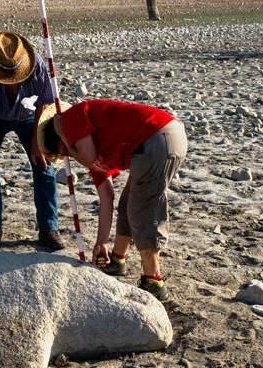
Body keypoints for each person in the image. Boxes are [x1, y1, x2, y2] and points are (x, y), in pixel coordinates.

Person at [37, 99, 187, 300]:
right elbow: (107, 197)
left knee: (143, 209)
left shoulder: (70, 120)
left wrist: (64, 134)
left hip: (156, 138)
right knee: (129, 202)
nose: (69, 155)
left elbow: (87, 158)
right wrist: (101, 243)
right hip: (157, 140)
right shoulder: (92, 147)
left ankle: (153, 280)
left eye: (64, 150)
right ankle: (117, 259)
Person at [0, 31, 65, 251]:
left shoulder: (36, 64)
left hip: (28, 117)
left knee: (44, 166)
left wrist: (37, 141)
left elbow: (44, 103)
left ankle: (48, 229)